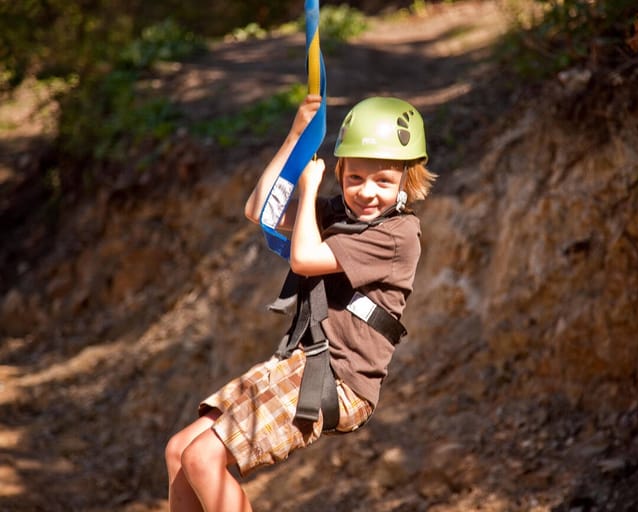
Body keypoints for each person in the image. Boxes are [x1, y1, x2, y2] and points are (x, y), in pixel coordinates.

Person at [164, 94, 436, 511]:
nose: (366, 192)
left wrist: (308, 192)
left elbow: (305, 260)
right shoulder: (338, 214)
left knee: (203, 458)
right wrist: (295, 136)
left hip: (340, 379)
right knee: (180, 451)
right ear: (340, 173)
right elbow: (260, 210)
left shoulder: (397, 235)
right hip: (303, 362)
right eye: (355, 177)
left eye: (383, 181)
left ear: (406, 181)